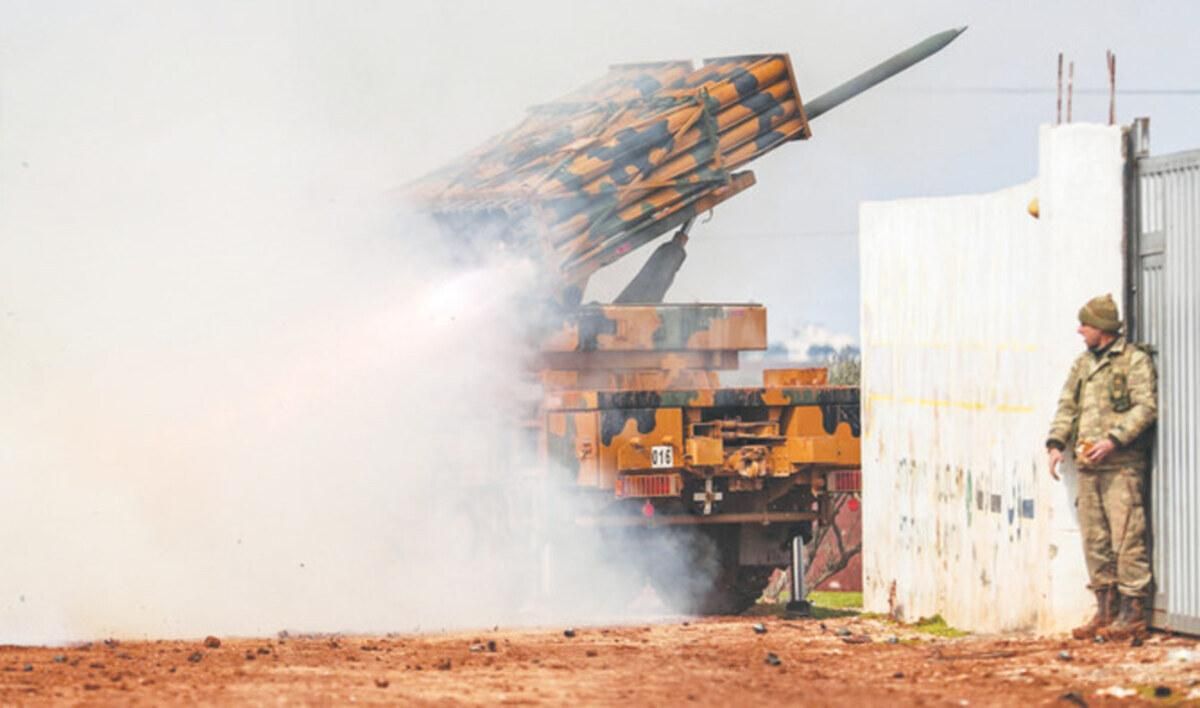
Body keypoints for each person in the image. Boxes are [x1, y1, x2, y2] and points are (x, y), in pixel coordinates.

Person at [1046, 294, 1157, 640]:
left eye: (1086, 325)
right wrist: (1055, 443)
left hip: (1121, 466)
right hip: (1089, 467)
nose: (1081, 331)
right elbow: (1068, 404)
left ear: (1103, 329)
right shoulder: (1083, 365)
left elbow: (1145, 407)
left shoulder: (1133, 361)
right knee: (1096, 541)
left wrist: (1114, 440)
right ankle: (1105, 611)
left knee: (1127, 539)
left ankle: (1132, 613)